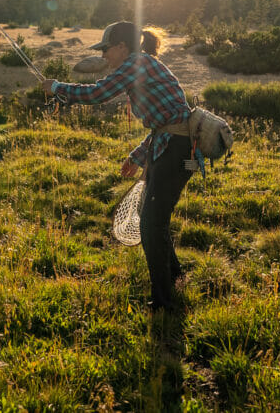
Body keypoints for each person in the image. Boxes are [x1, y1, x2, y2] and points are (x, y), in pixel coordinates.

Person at [42, 20, 193, 311]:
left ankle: (164, 304)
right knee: (155, 220)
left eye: (106, 50)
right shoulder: (143, 63)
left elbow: (98, 93)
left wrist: (58, 87)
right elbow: (166, 122)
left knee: (151, 223)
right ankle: (175, 280)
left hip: (175, 149)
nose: (103, 57)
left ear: (123, 47)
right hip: (172, 145)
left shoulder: (136, 63)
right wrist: (138, 156)